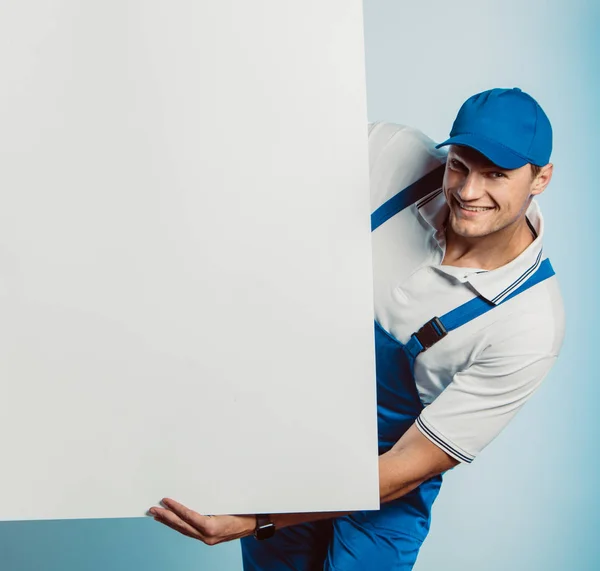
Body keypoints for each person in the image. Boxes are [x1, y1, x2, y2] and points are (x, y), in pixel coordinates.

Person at [147, 87, 565, 570]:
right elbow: (270, 163)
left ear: (541, 178)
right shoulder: (393, 157)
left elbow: (410, 466)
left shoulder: (530, 323)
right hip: (294, 429)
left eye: (497, 175)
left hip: (390, 475)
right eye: (460, 166)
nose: (469, 192)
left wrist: (259, 517)